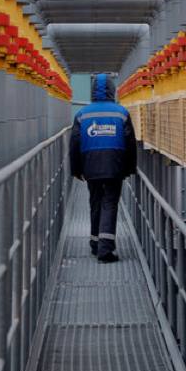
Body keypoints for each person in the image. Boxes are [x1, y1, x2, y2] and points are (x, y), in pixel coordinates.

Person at [69, 73, 138, 263]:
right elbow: (130, 142)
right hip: (115, 164)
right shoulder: (121, 113)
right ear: (112, 90)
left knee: (95, 201)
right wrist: (130, 167)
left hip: (90, 164)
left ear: (92, 91)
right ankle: (105, 249)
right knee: (110, 203)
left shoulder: (82, 114)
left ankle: (95, 243)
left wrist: (76, 169)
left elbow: (74, 143)